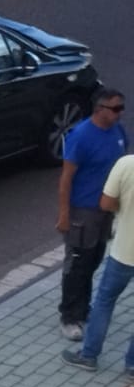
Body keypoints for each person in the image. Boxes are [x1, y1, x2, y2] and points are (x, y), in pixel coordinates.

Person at [57, 88, 128, 342]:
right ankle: (70, 316)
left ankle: (82, 308)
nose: (121, 112)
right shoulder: (81, 136)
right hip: (83, 211)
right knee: (77, 263)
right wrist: (64, 214)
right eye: (116, 108)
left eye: (122, 107)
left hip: (104, 211)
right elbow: (66, 179)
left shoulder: (118, 132)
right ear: (100, 109)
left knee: (93, 259)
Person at [63, 150, 134, 377]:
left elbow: (106, 203)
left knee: (105, 300)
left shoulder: (125, 164)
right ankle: (132, 365)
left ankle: (89, 355)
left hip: (125, 250)